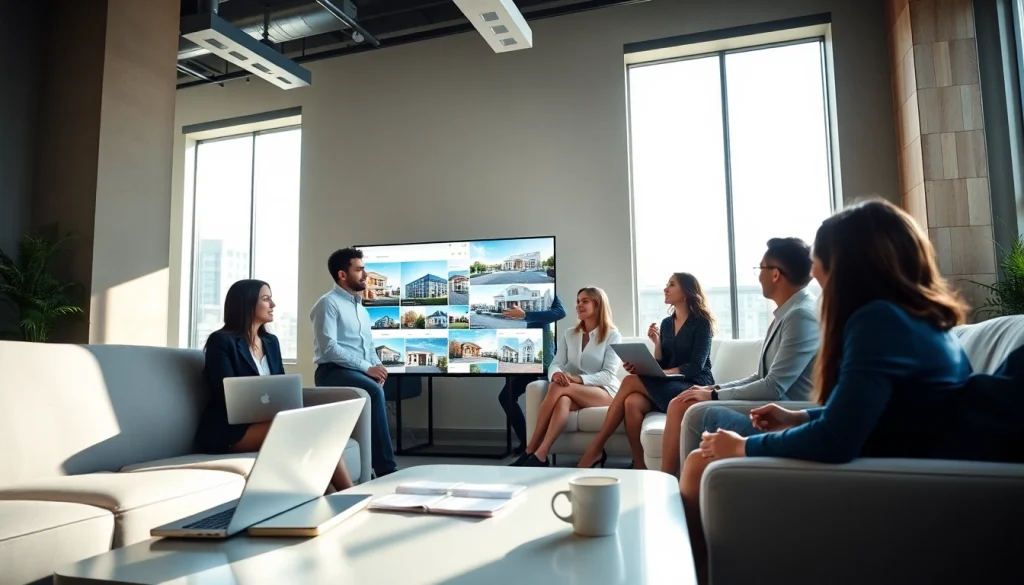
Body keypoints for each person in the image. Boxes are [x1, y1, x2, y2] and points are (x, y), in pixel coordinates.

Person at [680, 199, 1024, 573]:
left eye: (818, 261)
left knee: (702, 459)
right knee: (705, 454)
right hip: (896, 459)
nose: (814, 273)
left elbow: (837, 439)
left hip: (886, 478)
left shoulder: (876, 320)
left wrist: (744, 446)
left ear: (844, 265)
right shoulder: (921, 319)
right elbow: (898, 408)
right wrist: (798, 417)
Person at [659, 238, 820, 476]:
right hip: (771, 404)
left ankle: (674, 480)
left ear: (775, 274)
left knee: (690, 407)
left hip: (783, 411)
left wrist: (713, 394)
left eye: (760, 269)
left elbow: (773, 387)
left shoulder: (800, 316)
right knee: (682, 400)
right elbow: (761, 375)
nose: (758, 276)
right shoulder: (786, 314)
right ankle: (673, 480)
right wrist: (716, 387)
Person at [195, 279, 354, 491]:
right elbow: (223, 392)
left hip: (270, 420)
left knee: (317, 429)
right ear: (247, 303)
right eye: (266, 298)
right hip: (229, 430)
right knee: (310, 431)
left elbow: (280, 387)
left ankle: (336, 499)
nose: (273, 304)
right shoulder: (221, 341)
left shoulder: (271, 342)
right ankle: (350, 494)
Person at [577, 272, 716, 469]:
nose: (665, 288)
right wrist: (656, 345)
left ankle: (596, 448)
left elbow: (696, 366)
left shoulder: (702, 322)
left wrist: (661, 374)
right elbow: (663, 361)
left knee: (630, 381)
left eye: (671, 284)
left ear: (686, 291)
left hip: (695, 385)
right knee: (632, 402)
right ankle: (639, 463)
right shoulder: (667, 323)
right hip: (671, 383)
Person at [509, 287, 623, 467]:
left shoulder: (612, 335)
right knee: (562, 399)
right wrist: (556, 374)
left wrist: (576, 380)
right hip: (575, 389)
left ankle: (530, 449)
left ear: (598, 304)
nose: (578, 305)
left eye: (585, 301)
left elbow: (608, 375)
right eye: (578, 301)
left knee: (559, 388)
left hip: (605, 391)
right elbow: (556, 363)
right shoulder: (570, 334)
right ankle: (541, 453)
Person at [310, 248, 397, 478]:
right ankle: (387, 469)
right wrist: (367, 369)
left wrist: (378, 368)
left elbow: (368, 346)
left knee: (375, 386)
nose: (365, 274)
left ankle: (375, 466)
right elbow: (330, 348)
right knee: (372, 392)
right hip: (332, 372)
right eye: (359, 269)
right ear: (342, 274)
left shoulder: (361, 308)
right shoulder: (327, 304)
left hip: (356, 372)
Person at [497, 294, 567, 454]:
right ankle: (527, 442)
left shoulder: (546, 290)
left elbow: (560, 312)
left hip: (539, 356)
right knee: (506, 397)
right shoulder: (507, 292)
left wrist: (525, 315)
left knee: (540, 399)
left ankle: (533, 445)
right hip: (516, 349)